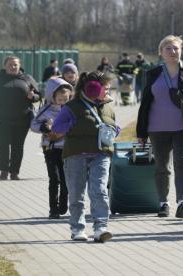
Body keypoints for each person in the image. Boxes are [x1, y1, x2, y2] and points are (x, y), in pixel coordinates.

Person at [136, 35, 183, 218]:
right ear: (161, 52)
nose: (173, 51)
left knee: (182, 163)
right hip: (157, 128)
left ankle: (182, 202)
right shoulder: (153, 74)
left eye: (176, 48)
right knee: (162, 166)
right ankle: (163, 203)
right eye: (168, 48)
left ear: (181, 50)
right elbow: (145, 103)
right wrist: (141, 131)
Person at [52, 71, 117, 242]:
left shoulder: (108, 107)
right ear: (93, 89)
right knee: (76, 194)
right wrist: (73, 125)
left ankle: (101, 228)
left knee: (100, 191)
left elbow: (114, 126)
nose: (108, 92)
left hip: (101, 154)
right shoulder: (72, 107)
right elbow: (57, 128)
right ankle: (77, 228)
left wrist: (113, 130)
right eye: (106, 89)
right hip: (76, 155)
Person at [0, 55, 41, 180]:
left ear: (19, 66)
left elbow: (39, 95)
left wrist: (33, 97)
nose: (13, 67)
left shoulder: (27, 79)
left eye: (15, 64)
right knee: (2, 144)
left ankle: (14, 172)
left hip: (23, 119)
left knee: (18, 146)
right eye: (10, 64)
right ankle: (4, 170)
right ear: (4, 66)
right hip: (2, 119)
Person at [31, 78, 73, 219]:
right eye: (60, 99)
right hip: (50, 149)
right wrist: (42, 127)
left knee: (66, 179)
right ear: (52, 96)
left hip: (67, 149)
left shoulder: (71, 109)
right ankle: (53, 209)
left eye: (65, 99)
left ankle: (63, 204)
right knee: (54, 179)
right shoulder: (45, 109)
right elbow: (33, 125)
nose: (62, 101)